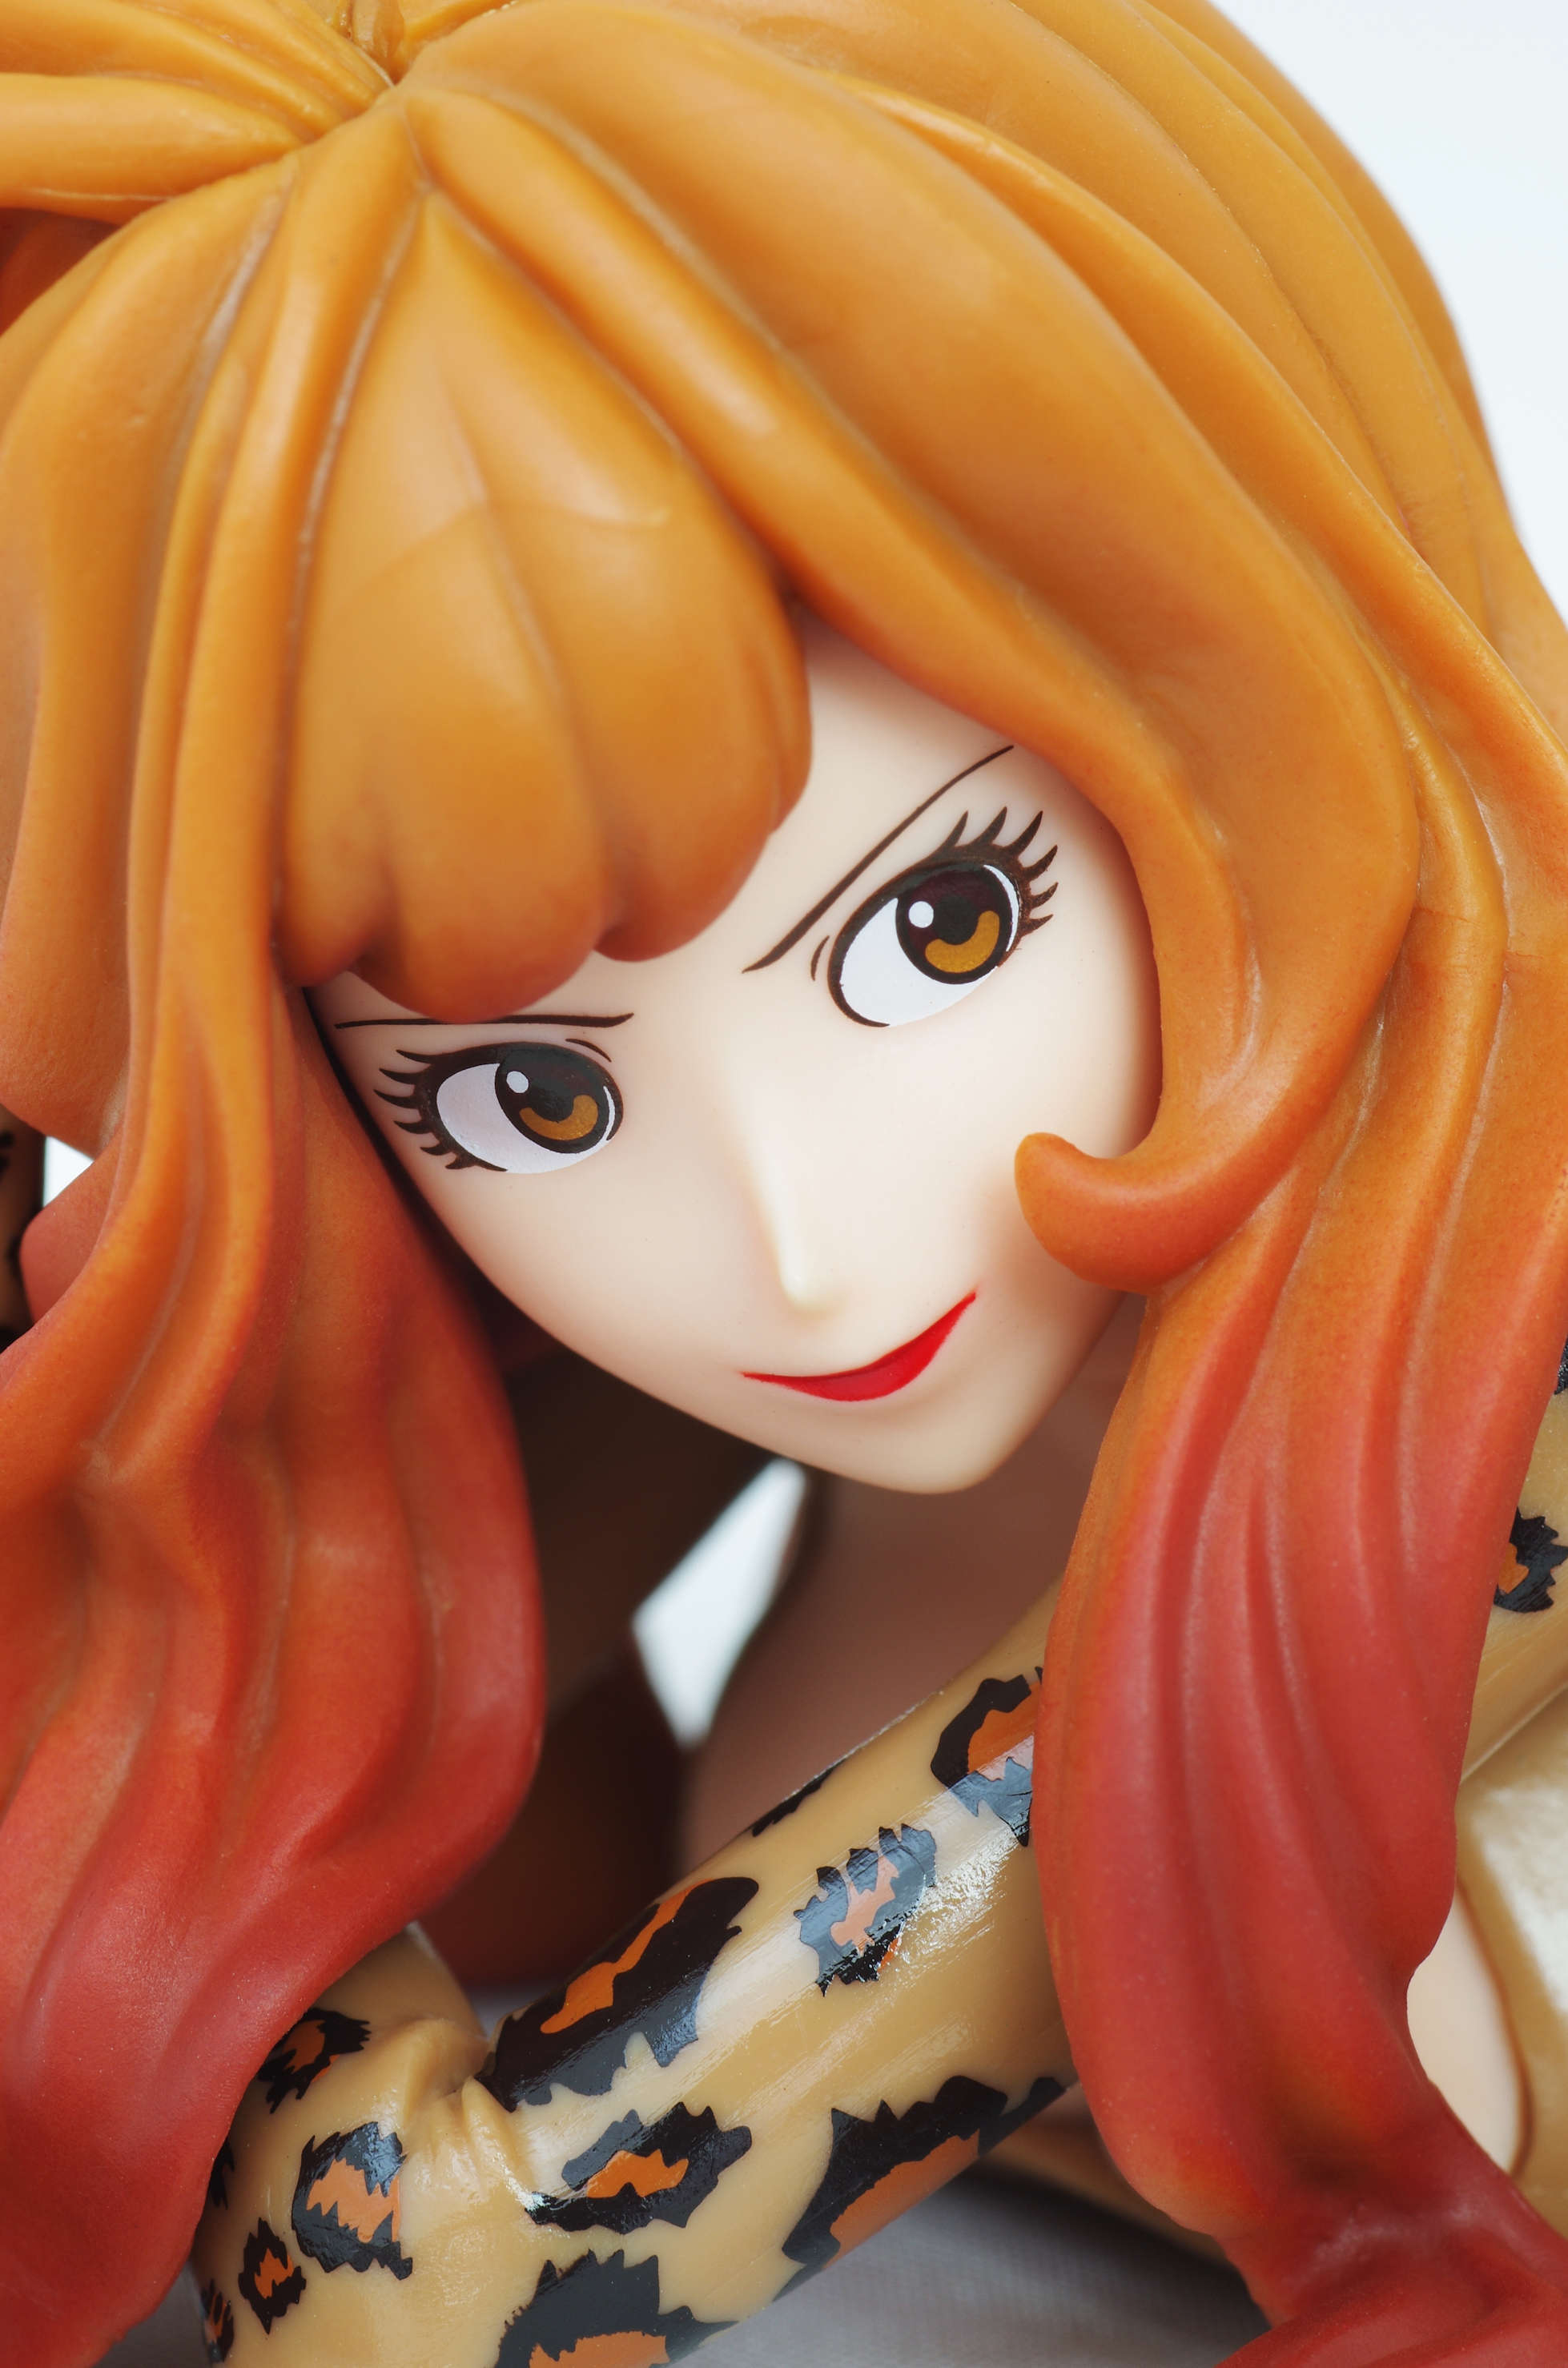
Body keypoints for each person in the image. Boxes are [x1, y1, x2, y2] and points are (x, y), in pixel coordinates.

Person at [3, 2, 1568, 2362]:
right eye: (528, 1096)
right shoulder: (679, 1384)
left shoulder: (1482, 1428)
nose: (800, 1249)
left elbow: (416, 2285)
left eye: (942, 927)